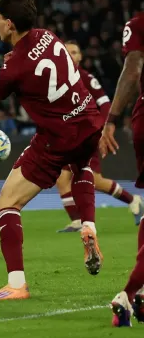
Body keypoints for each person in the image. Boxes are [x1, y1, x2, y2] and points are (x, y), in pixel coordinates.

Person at [0, 0, 103, 300]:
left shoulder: (15, 67)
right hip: (88, 121)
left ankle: (16, 285)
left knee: (6, 203)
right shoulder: (47, 36)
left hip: (57, 137)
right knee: (81, 166)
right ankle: (88, 225)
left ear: (9, 24)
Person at [56, 41, 142, 233]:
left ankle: (133, 200)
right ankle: (77, 220)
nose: (70, 55)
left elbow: (104, 103)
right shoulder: (57, 79)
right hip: (69, 137)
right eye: (67, 52)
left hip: (88, 135)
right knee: (62, 179)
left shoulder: (85, 77)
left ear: (80, 57)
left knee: (93, 179)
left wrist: (101, 128)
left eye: (74, 52)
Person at [100, 12, 144, 327]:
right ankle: (128, 294)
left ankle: (140, 292)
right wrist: (111, 119)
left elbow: (133, 67)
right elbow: (133, 68)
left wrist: (113, 120)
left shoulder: (138, 23)